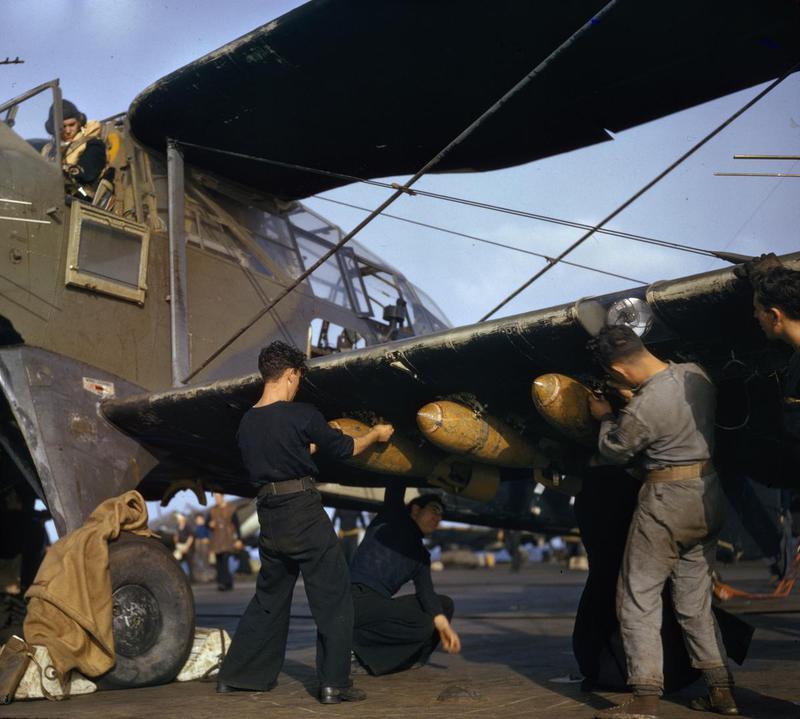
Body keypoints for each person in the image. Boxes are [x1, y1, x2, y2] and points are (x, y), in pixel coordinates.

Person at [216, 341, 394, 704]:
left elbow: (275, 456)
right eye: (298, 378)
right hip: (303, 512)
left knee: (269, 598)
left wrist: (304, 447)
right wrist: (375, 435)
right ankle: (334, 684)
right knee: (333, 597)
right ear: (291, 374)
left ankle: (237, 676)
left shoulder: (246, 423)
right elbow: (345, 449)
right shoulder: (302, 414)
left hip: (270, 517)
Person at [586, 325, 736, 718]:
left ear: (617, 372)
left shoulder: (642, 408)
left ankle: (645, 699)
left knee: (638, 595)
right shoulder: (695, 374)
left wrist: (605, 417)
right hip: (708, 494)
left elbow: (615, 451)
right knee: (694, 601)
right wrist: (638, 399)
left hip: (666, 501)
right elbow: (672, 410)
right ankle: (722, 691)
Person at [349, 493, 461, 676]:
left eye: (441, 515)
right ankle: (356, 653)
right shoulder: (391, 518)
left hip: (379, 604)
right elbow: (396, 481)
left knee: (443, 605)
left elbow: (427, 594)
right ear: (416, 510)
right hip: (354, 598)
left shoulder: (421, 555)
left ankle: (412, 659)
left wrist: (445, 627)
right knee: (423, 624)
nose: (438, 518)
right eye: (434, 510)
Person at [42, 99, 107, 201]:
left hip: (81, 198)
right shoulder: (48, 150)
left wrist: (65, 171)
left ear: (79, 123)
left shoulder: (92, 144)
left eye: (72, 125)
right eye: (62, 127)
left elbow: (88, 174)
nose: (68, 131)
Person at [208, 493, 240, 591]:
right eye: (215, 498)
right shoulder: (213, 510)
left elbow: (237, 525)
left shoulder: (231, 509)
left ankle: (227, 583)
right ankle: (221, 583)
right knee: (219, 563)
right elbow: (206, 524)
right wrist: (210, 524)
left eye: (218, 497)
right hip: (217, 540)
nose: (216, 499)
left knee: (225, 562)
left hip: (228, 539)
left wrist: (239, 539)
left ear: (222, 497)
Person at [172, 512, 194, 579]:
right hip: (180, 547)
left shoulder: (187, 526)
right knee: (178, 561)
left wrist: (187, 546)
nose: (178, 520)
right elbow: (176, 538)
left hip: (187, 546)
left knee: (189, 562)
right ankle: (182, 576)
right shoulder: (177, 527)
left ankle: (191, 578)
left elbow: (191, 537)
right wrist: (176, 542)